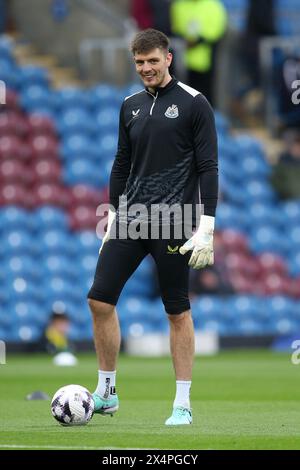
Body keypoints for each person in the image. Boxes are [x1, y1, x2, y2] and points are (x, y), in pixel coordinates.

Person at [87, 28, 218, 425]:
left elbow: (208, 167)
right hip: (131, 218)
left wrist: (207, 225)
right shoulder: (128, 106)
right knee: (99, 300)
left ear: (168, 59)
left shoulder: (195, 104)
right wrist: (111, 214)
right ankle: (107, 392)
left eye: (152, 61)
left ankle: (182, 403)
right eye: (140, 62)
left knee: (176, 311)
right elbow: (121, 163)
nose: (146, 68)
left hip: (175, 219)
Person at [170, 0, 227, 105]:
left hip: (204, 62)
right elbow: (175, 28)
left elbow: (216, 32)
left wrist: (197, 41)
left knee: (203, 97)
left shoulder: (213, 5)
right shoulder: (179, 5)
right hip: (181, 63)